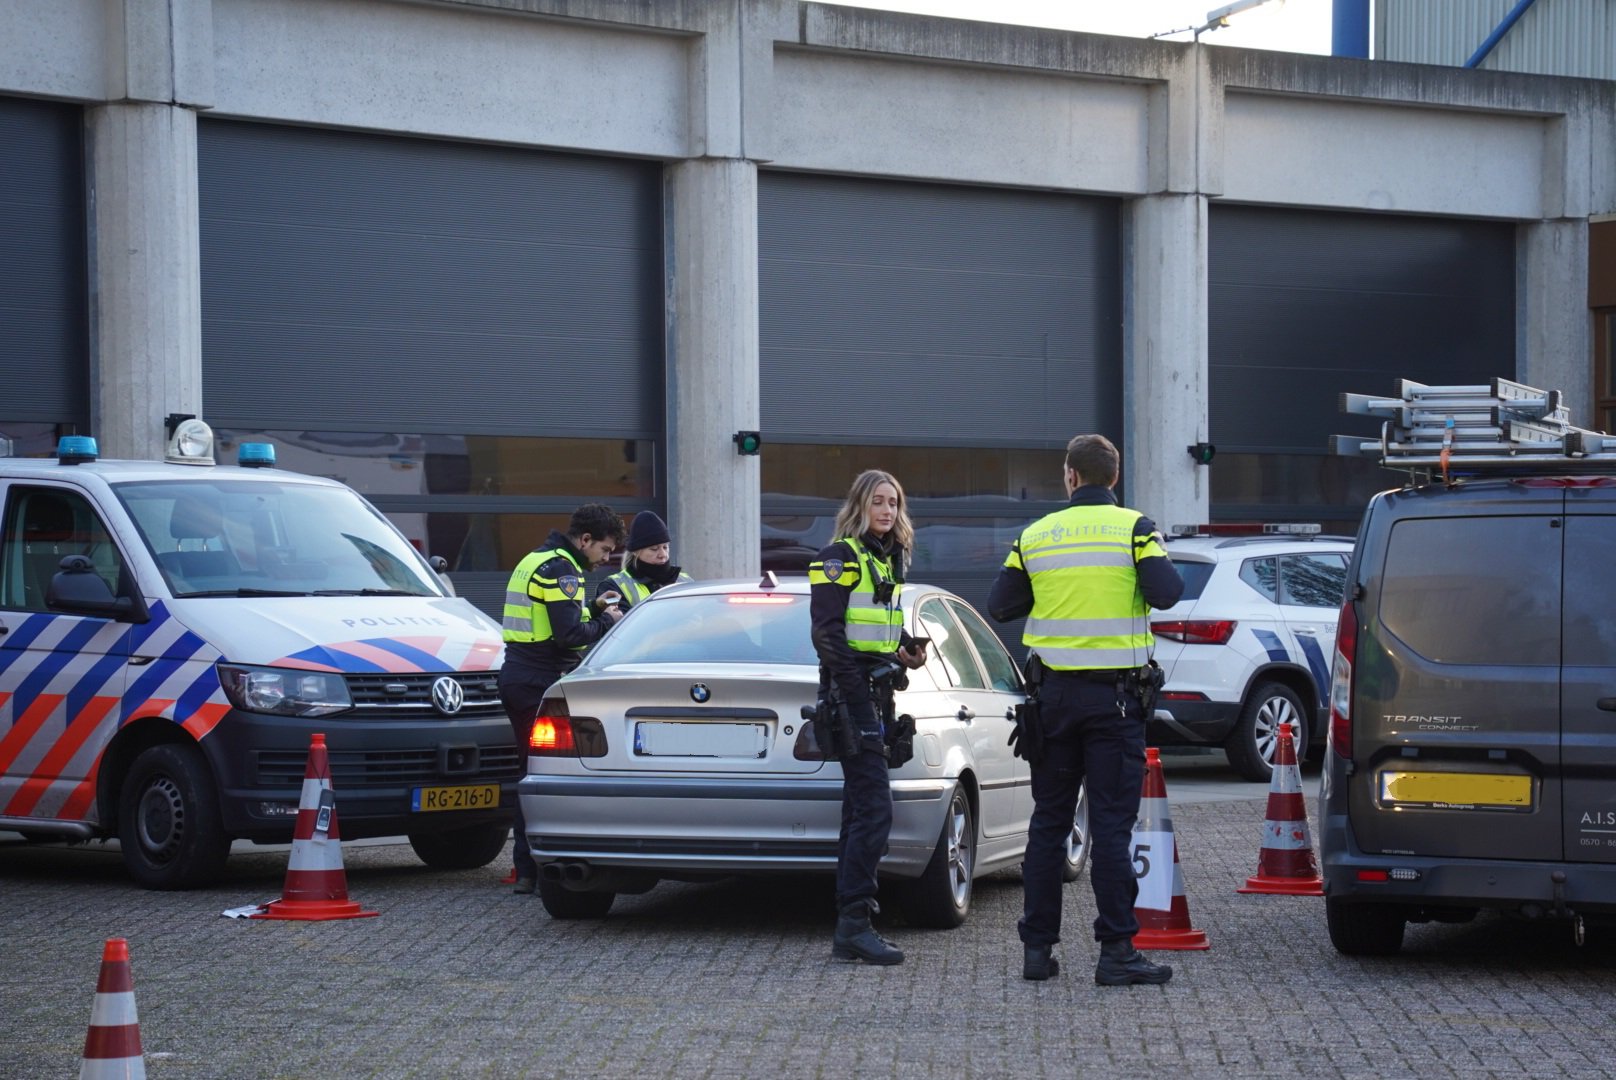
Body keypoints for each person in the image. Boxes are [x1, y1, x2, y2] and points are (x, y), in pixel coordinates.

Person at [988, 434, 1184, 985]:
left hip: (1051, 703)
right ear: (1113, 479)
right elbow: (1167, 592)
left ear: (1070, 476)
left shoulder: (1035, 536)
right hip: (1116, 703)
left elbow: (1001, 605)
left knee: (1048, 824)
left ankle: (1036, 952)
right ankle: (1116, 953)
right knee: (1112, 829)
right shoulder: (1136, 528)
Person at [809, 469, 929, 965]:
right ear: (859, 505)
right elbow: (827, 635)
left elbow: (883, 623)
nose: (887, 511)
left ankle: (850, 924)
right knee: (875, 809)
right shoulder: (837, 557)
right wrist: (856, 696)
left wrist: (905, 650)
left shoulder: (889, 558)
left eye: (894, 503)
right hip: (850, 693)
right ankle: (855, 923)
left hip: (878, 692)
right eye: (878, 501)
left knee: (859, 810)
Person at [499, 503, 627, 894]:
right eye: (604, 550)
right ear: (585, 539)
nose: (605, 560)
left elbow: (553, 619)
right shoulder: (562, 569)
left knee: (530, 768)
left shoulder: (538, 558)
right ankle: (530, 870)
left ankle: (526, 871)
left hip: (519, 674)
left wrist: (594, 607)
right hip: (536, 679)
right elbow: (569, 636)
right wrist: (608, 621)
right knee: (538, 773)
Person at [596, 510, 690, 612]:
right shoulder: (613, 586)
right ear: (636, 552)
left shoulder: (685, 580)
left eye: (665, 547)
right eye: (654, 549)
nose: (663, 555)